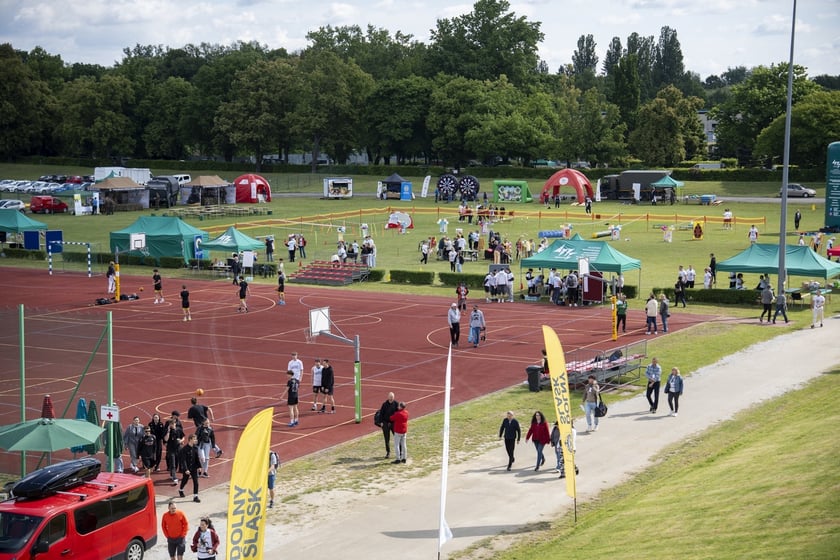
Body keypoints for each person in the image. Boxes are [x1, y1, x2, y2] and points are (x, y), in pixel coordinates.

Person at [178, 433, 202, 502]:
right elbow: (183, 460)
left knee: (196, 482)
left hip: (194, 468)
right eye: (194, 439)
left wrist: (199, 467)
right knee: (185, 480)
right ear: (190, 440)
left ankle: (195, 496)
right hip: (187, 468)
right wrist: (186, 469)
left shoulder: (195, 448)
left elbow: (197, 458)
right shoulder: (184, 449)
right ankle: (181, 490)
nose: (196, 440)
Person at [164, 412, 185, 485]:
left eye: (173, 424)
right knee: (172, 463)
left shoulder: (179, 430)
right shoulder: (168, 431)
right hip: (171, 449)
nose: (172, 425)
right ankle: (174, 477)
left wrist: (181, 440)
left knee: (180, 461)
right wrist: (168, 431)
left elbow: (183, 437)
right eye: (171, 424)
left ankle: (175, 474)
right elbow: (166, 439)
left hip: (178, 448)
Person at [378, 392, 400, 459]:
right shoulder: (384, 404)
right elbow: (381, 413)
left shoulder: (396, 404)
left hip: (394, 424)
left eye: (392, 397)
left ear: (394, 397)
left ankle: (400, 451)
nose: (391, 398)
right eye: (390, 397)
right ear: (388, 397)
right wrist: (381, 422)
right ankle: (388, 452)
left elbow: (399, 413)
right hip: (385, 423)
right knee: (386, 439)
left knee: (397, 438)